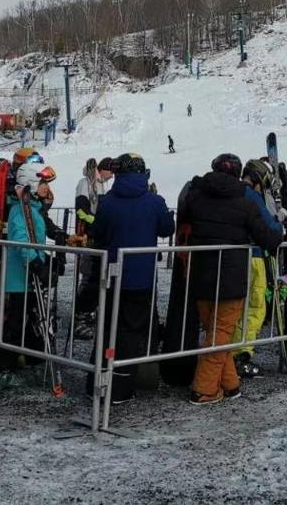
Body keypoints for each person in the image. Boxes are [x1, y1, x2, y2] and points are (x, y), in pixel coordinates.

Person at [179, 153, 280, 403]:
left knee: (216, 332)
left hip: (201, 275)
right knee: (219, 334)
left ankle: (230, 384)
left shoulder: (196, 197)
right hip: (231, 278)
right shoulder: (246, 203)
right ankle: (204, 389)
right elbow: (269, 237)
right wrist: (279, 227)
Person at [90, 153, 174, 404]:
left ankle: (96, 382)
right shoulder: (153, 201)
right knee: (131, 332)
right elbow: (167, 228)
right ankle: (121, 387)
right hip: (140, 278)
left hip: (110, 275)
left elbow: (98, 232)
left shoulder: (108, 201)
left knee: (106, 328)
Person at [0, 162, 55, 389]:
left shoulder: (33, 209)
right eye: (43, 183)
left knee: (32, 323)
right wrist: (35, 260)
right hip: (19, 279)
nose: (46, 188)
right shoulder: (20, 210)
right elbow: (20, 239)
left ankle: (36, 361)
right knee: (17, 325)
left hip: (28, 279)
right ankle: (1, 371)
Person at [230, 159, 284, 379]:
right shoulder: (251, 196)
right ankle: (241, 354)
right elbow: (269, 228)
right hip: (253, 257)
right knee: (254, 307)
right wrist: (279, 223)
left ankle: (231, 352)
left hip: (232, 257)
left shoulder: (232, 192)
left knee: (235, 307)